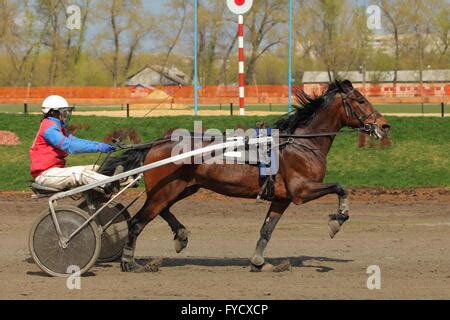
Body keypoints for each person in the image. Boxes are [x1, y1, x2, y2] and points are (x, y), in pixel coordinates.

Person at [29, 95, 118, 193]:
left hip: (54, 172)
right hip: (45, 175)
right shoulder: (49, 129)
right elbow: (69, 146)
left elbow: (75, 141)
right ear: (53, 112)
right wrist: (98, 147)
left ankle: (124, 180)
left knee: (97, 169)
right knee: (80, 173)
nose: (66, 115)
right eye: (63, 112)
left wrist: (101, 144)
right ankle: (111, 184)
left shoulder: (57, 127)